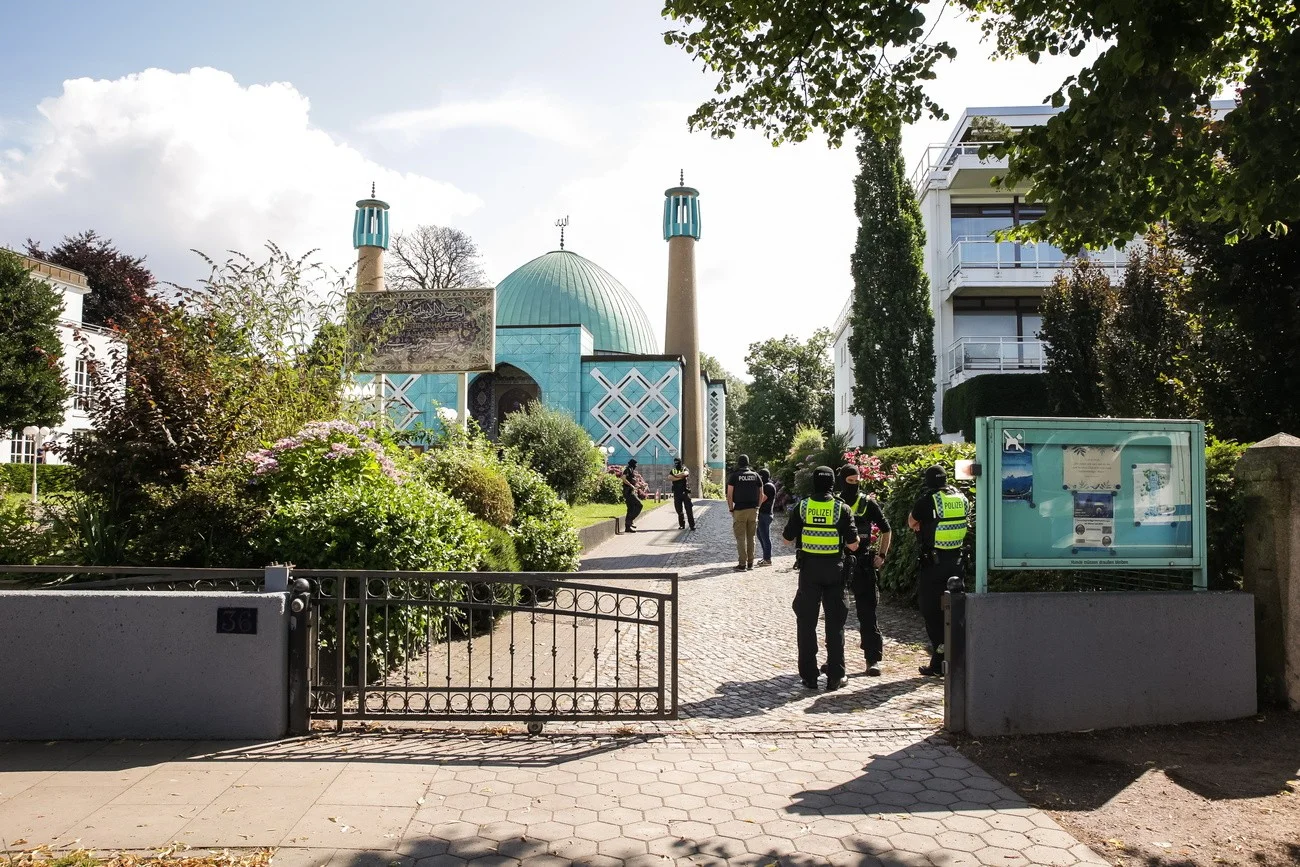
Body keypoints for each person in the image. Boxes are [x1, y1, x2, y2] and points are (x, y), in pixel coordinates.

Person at [782, 465, 860, 690]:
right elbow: (853, 545)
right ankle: (836, 676)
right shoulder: (841, 509)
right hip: (835, 571)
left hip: (809, 572)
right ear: (833, 484)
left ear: (814, 483)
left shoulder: (803, 507)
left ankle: (809, 676)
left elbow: (787, 540)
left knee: (806, 623)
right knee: (835, 624)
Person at [907, 464, 969, 676]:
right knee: (956, 610)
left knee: (930, 610)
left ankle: (940, 656)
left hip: (934, 564)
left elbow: (911, 522)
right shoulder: (962, 498)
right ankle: (958, 658)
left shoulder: (927, 500)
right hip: (958, 562)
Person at [836, 466, 892, 676]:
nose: (855, 484)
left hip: (863, 564)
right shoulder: (836, 504)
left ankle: (872, 659)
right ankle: (834, 660)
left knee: (867, 614)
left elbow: (886, 529)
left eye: (857, 480)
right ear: (842, 481)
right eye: (850, 481)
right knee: (836, 615)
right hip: (840, 563)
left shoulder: (867, 503)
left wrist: (882, 556)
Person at [726, 454, 766, 571]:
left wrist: (731, 509)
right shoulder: (756, 476)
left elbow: (729, 495)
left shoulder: (734, 476)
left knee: (740, 537)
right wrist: (757, 507)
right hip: (753, 509)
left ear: (739, 463)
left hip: (740, 509)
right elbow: (761, 494)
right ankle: (750, 563)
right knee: (751, 537)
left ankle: (742, 564)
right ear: (748, 463)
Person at [667, 456, 696, 531]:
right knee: (679, 510)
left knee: (689, 510)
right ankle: (682, 525)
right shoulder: (673, 470)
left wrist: (676, 477)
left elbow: (685, 473)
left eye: (677, 462)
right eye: (675, 462)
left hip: (685, 492)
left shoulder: (684, 468)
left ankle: (692, 525)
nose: (676, 464)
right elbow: (670, 477)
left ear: (680, 462)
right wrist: (680, 477)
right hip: (677, 493)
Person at [755, 468, 777, 565]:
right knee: (760, 535)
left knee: (765, 537)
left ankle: (767, 559)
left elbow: (762, 499)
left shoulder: (768, 486)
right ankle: (765, 557)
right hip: (763, 514)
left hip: (765, 514)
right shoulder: (767, 485)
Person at [622, 459, 644, 533]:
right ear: (632, 464)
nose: (636, 466)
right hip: (628, 492)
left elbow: (631, 480)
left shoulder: (631, 470)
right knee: (639, 505)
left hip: (631, 491)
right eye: (635, 464)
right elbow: (623, 478)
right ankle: (630, 521)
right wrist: (631, 485)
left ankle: (628, 527)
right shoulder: (627, 469)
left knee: (630, 508)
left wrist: (637, 486)